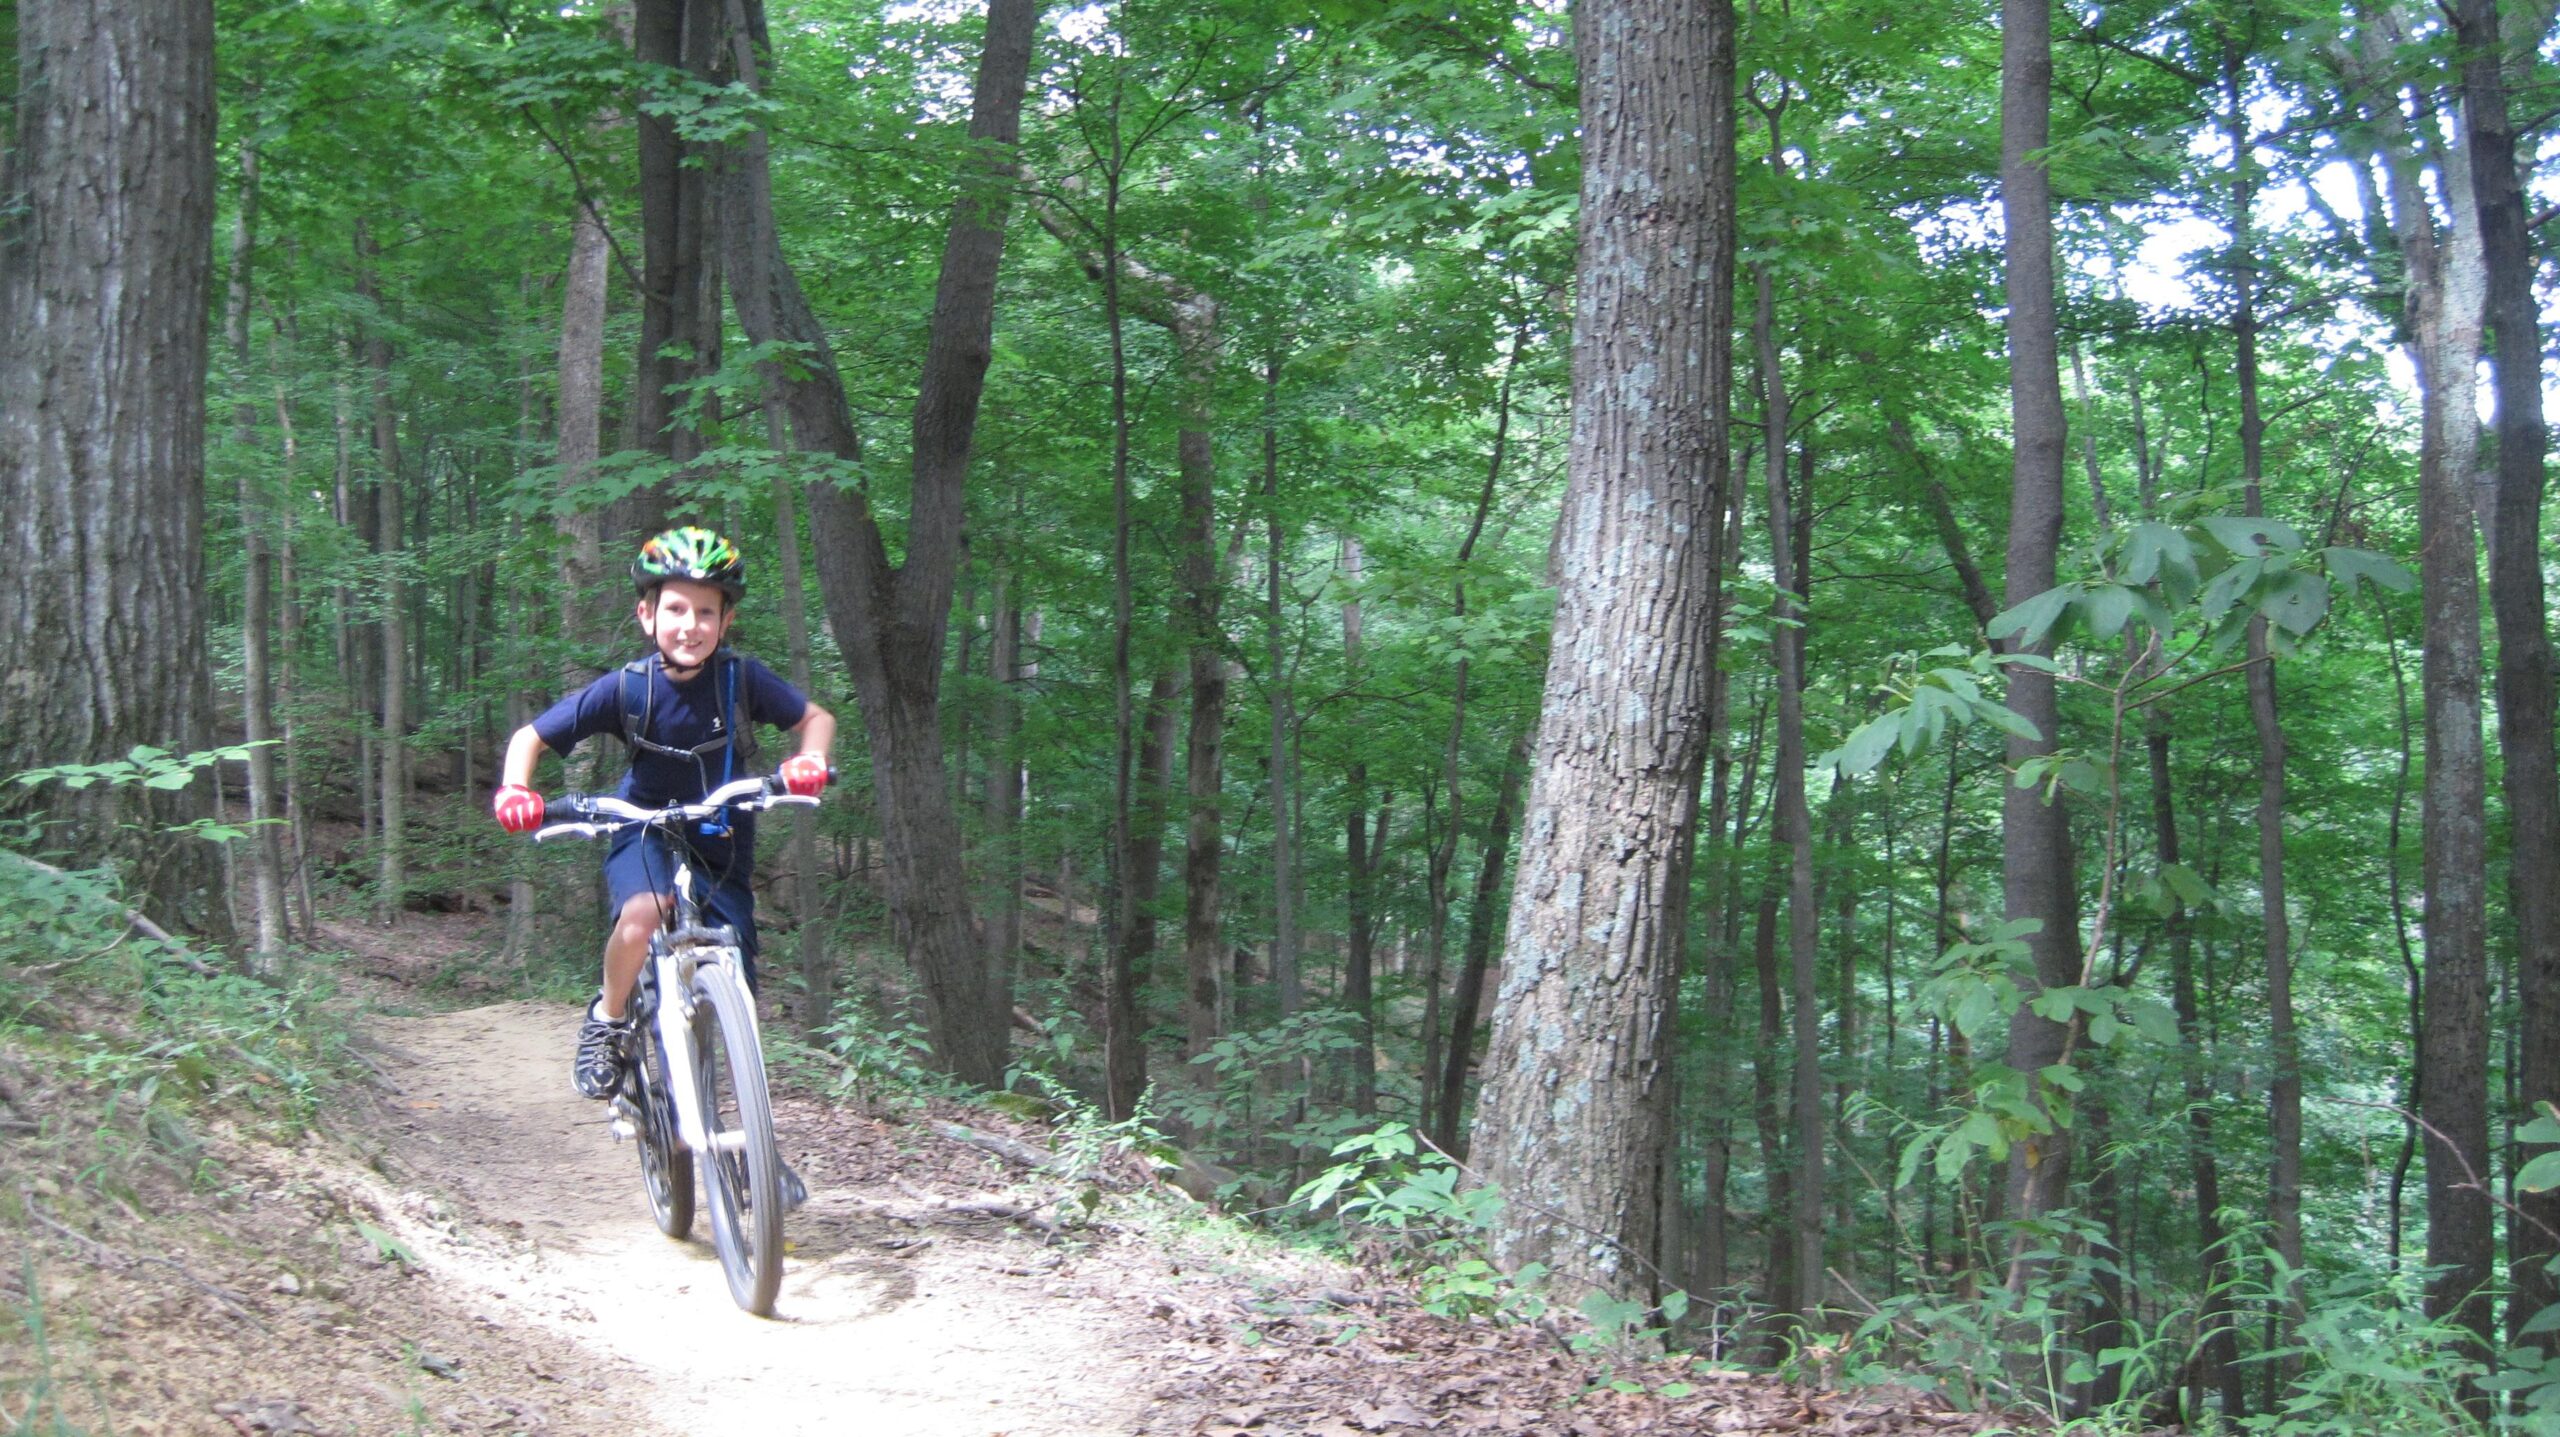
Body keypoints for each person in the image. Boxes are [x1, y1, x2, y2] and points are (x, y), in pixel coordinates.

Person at [491, 525, 836, 1101]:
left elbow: (815, 719)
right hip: (642, 821)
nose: (690, 624)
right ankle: (609, 1018)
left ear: (726, 623)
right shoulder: (626, 688)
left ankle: (752, 1143)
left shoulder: (741, 679)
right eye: (675, 608)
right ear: (646, 615)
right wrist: (514, 791)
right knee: (644, 911)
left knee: (740, 979)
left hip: (722, 829)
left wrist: (812, 759)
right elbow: (531, 738)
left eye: (706, 612)